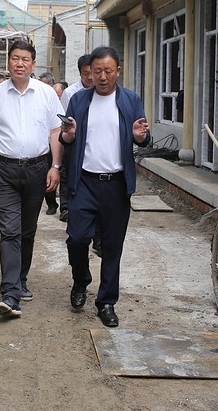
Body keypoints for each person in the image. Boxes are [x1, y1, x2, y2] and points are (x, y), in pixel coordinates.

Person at [59, 46, 151, 328]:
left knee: (112, 246)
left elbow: (143, 138)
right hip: (84, 181)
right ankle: (80, 280)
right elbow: (67, 139)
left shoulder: (130, 100)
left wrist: (139, 137)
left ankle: (107, 302)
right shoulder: (79, 100)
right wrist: (68, 135)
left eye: (107, 71)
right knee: (77, 238)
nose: (101, 76)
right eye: (96, 71)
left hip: (116, 184)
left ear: (117, 71)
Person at [0, 40, 64, 318]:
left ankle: (20, 279)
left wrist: (55, 166)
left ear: (33, 64)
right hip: (4, 171)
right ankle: (10, 293)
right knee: (10, 232)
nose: (19, 64)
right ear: (8, 62)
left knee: (27, 230)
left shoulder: (47, 94)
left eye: (25, 59)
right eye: (15, 58)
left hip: (37, 169)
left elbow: (55, 132)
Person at [57, 54, 94, 223]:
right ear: (80, 73)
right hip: (72, 140)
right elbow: (63, 117)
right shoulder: (70, 93)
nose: (90, 77)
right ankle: (65, 207)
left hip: (92, 142)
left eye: (92, 72)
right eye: (86, 73)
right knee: (67, 172)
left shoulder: (102, 92)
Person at [37, 71, 59, 215]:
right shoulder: (36, 97)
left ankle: (56, 204)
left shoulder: (56, 96)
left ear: (51, 84)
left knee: (54, 171)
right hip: (42, 143)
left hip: (56, 142)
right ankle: (50, 202)